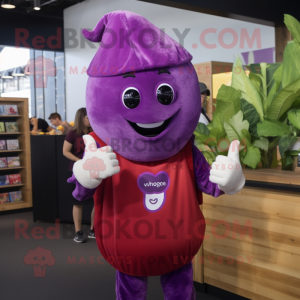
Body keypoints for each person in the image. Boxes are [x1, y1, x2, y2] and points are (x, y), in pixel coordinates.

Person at [63, 108, 95, 243]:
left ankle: (93, 229)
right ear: (81, 118)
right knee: (78, 202)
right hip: (78, 172)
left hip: (95, 171)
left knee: (96, 202)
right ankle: (78, 232)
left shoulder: (95, 132)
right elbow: (65, 151)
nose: (90, 119)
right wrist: (80, 162)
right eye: (88, 117)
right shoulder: (73, 133)